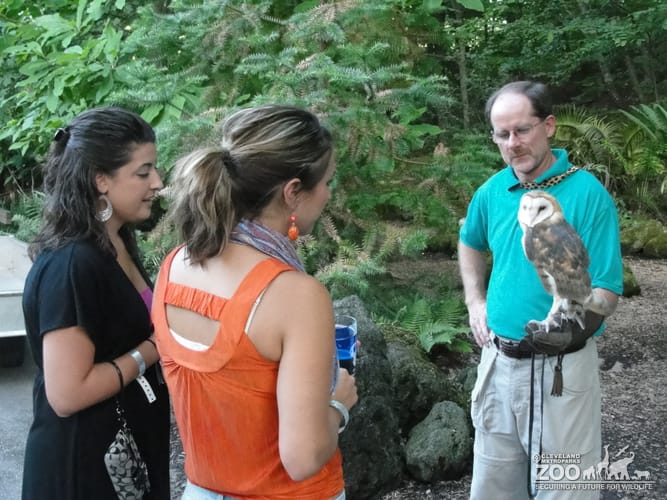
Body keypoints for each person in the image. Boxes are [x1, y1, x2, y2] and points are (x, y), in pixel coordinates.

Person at [151, 104, 358, 500]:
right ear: (293, 192)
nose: (329, 193)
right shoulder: (296, 296)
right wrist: (339, 403)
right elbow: (303, 457)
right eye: (328, 181)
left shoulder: (176, 264)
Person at [458, 81, 624, 499]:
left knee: (565, 491)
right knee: (494, 489)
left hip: (561, 375)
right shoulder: (492, 191)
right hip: (497, 367)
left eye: (523, 130)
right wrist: (474, 301)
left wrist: (573, 330)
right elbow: (469, 241)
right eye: (502, 134)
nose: (513, 143)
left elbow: (605, 289)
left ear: (548, 126)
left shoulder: (588, 194)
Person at [21, 107, 170, 499]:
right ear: (100, 179)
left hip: (124, 456)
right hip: (84, 469)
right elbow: (67, 394)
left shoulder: (116, 241)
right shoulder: (73, 264)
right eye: (143, 172)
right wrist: (152, 350)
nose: (157, 183)